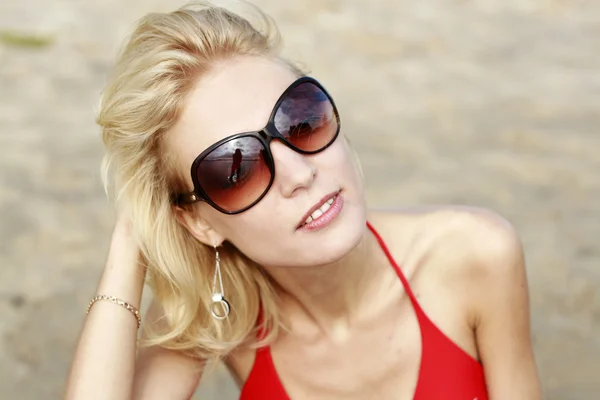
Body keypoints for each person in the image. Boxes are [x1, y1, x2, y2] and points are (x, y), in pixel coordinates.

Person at [64, 1, 542, 399]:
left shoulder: (474, 255)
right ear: (199, 222)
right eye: (236, 169)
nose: (299, 172)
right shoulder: (219, 309)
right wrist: (134, 237)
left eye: (300, 119)